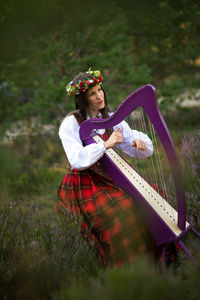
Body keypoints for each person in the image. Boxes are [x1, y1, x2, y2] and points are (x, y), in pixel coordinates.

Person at [55, 69, 160, 267]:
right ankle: (124, 267)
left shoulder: (111, 119)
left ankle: (151, 259)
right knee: (122, 209)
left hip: (110, 178)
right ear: (82, 99)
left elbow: (134, 144)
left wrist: (140, 144)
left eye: (100, 90)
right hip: (84, 183)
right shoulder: (71, 123)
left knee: (153, 194)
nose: (99, 95)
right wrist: (104, 145)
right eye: (92, 93)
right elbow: (76, 159)